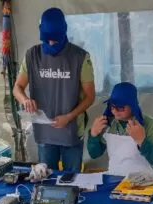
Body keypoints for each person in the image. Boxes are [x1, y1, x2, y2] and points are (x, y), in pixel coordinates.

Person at [12, 7, 96, 173]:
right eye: (47, 39)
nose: (51, 43)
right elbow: (17, 87)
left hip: (71, 131)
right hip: (45, 133)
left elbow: (90, 96)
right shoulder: (32, 56)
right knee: (46, 179)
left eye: (55, 40)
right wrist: (25, 100)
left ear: (64, 31)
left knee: (71, 180)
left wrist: (69, 116)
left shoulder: (80, 57)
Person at [87, 82, 153, 175]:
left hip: (143, 180)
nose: (115, 111)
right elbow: (94, 154)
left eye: (120, 108)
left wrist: (142, 141)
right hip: (114, 177)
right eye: (112, 107)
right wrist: (93, 135)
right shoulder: (107, 123)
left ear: (132, 105)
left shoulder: (150, 125)